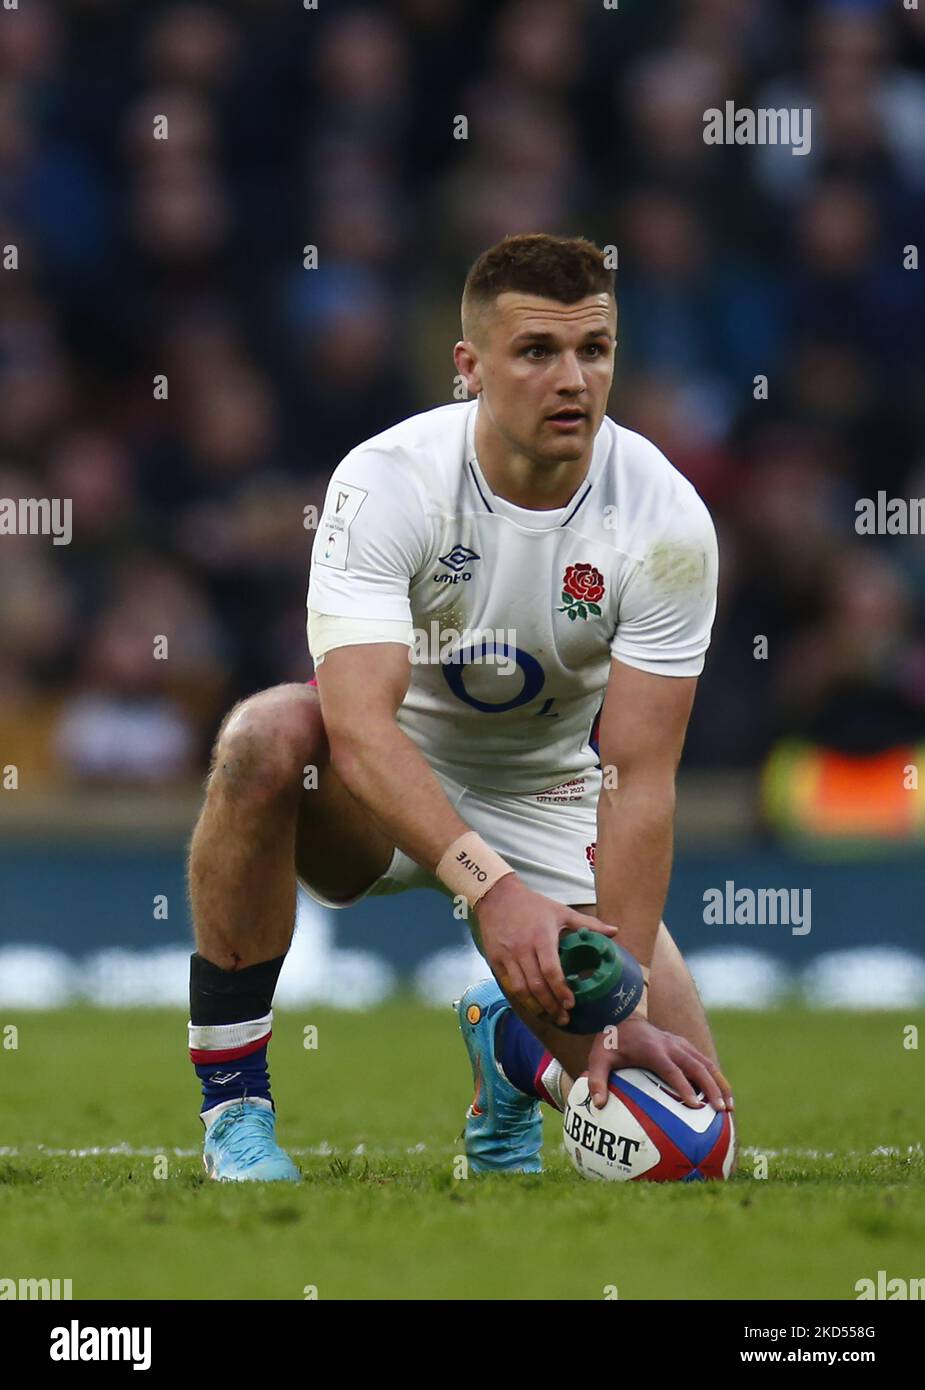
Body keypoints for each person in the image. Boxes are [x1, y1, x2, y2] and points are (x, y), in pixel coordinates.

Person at [186, 233, 733, 1181]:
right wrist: (492, 890)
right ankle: (235, 1107)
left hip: (548, 797)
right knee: (265, 737)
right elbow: (355, 726)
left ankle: (512, 1049)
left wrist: (616, 1004)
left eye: (593, 351)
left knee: (685, 1138)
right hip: (379, 784)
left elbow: (638, 779)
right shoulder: (386, 480)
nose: (571, 379)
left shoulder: (667, 520)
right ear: (469, 367)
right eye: (536, 352)